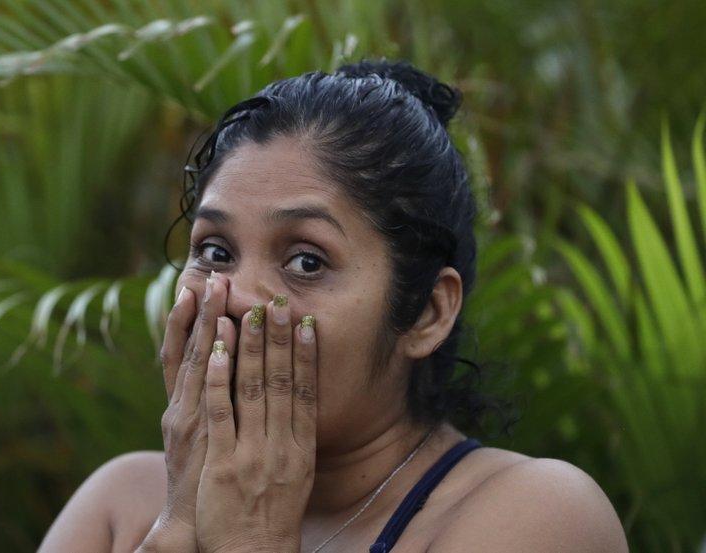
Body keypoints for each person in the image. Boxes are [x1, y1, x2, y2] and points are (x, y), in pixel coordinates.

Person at [38, 60, 628, 553]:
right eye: (215, 251)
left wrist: (251, 540)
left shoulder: (533, 515)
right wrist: (180, 527)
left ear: (426, 311)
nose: (237, 295)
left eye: (306, 262)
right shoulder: (120, 506)